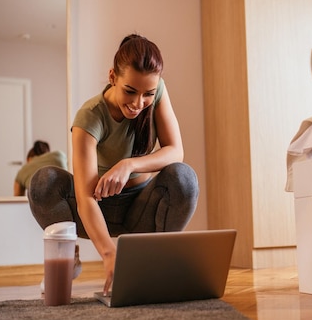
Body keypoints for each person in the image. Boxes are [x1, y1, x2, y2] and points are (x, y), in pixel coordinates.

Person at [28, 34, 199, 295]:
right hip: (96, 209)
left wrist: (129, 165)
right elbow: (85, 198)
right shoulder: (90, 116)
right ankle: (67, 258)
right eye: (130, 91)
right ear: (112, 77)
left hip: (140, 209)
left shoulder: (158, 92)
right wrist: (108, 253)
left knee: (183, 178)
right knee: (42, 183)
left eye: (147, 95)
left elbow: (176, 151)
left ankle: (156, 261)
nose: (138, 103)